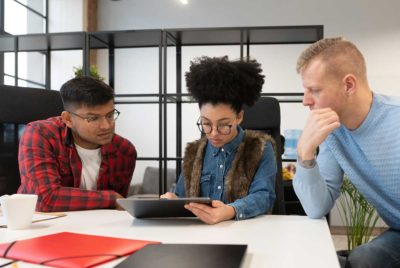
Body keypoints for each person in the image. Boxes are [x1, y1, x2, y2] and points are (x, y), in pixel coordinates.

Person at [293, 37, 400, 268]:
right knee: (362, 259)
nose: (305, 101)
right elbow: (316, 208)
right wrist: (305, 153)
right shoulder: (334, 133)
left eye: (314, 90)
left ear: (349, 85)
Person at [161, 56, 277, 225]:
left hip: (244, 232)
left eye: (224, 125)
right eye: (206, 124)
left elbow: (264, 196)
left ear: (239, 117)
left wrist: (230, 211)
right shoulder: (194, 152)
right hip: (197, 234)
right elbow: (181, 195)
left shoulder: (260, 148)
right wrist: (171, 199)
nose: (214, 133)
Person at [18, 76, 137, 212]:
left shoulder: (125, 151)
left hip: (97, 227)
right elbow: (46, 199)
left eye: (110, 115)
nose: (106, 126)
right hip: (41, 226)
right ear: (68, 119)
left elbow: (117, 210)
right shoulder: (41, 134)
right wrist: (111, 198)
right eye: (93, 118)